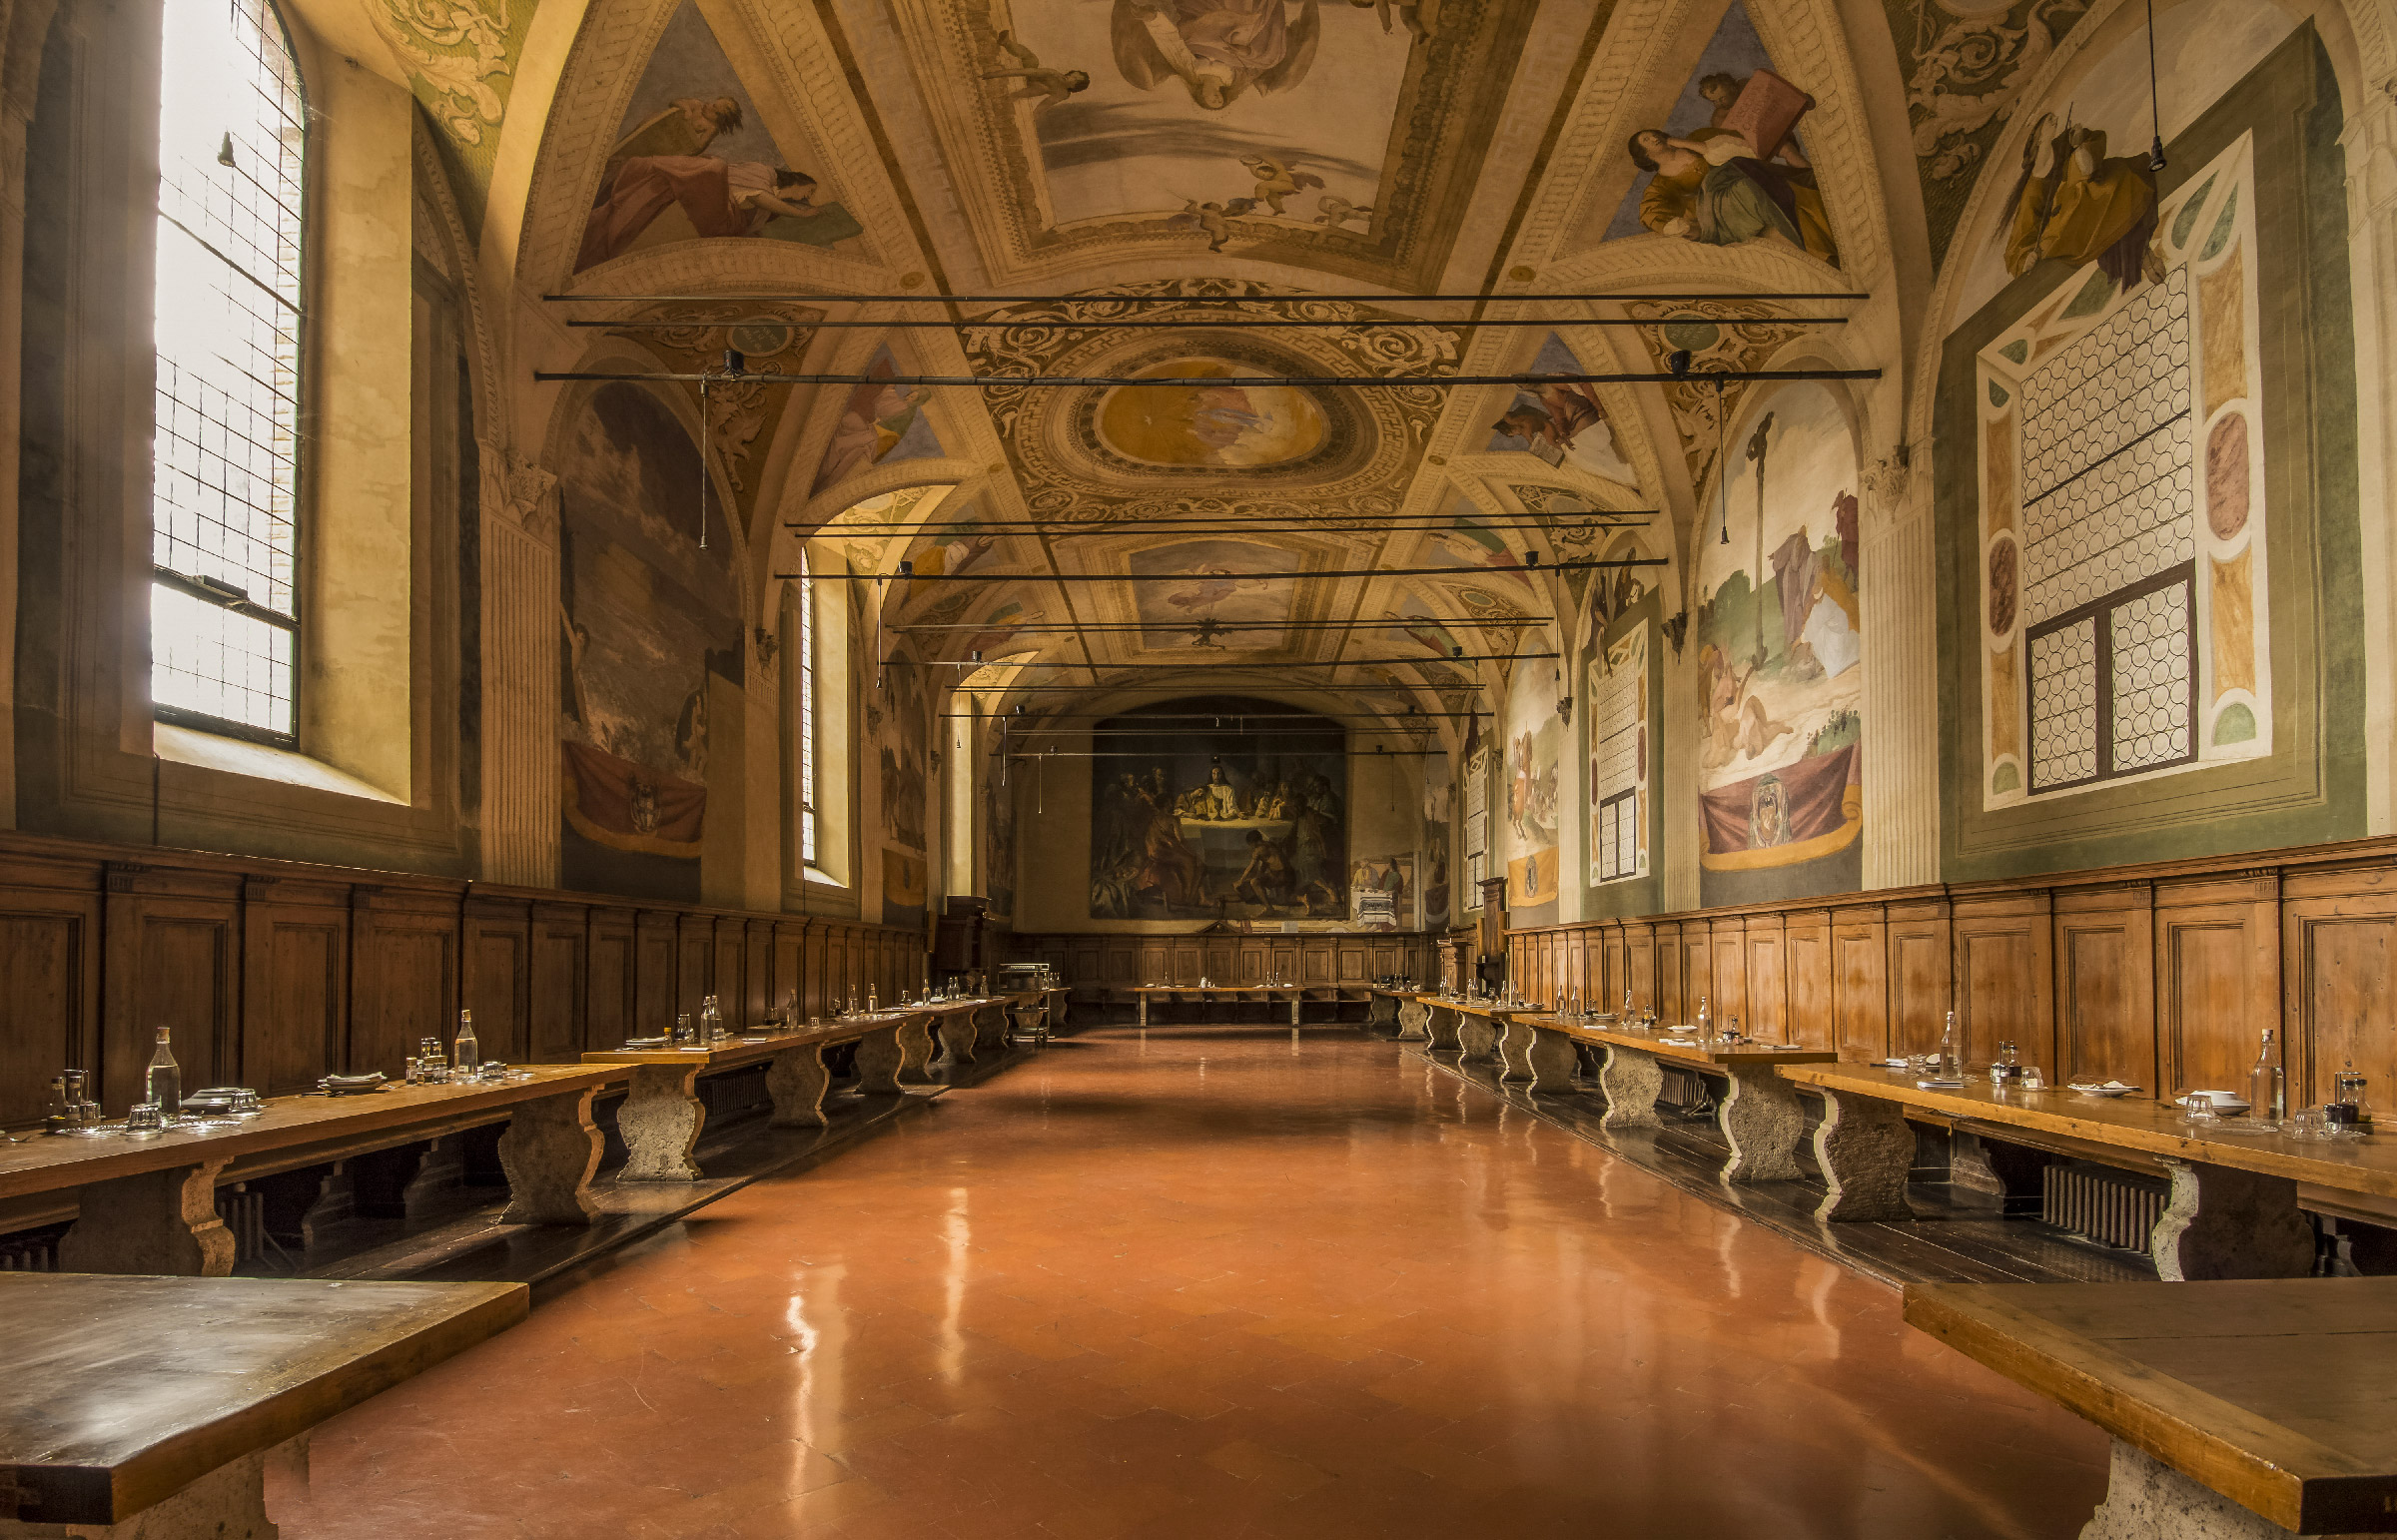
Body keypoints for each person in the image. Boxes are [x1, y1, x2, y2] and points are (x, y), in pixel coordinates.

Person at [1628, 127, 1837, 267]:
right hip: (1719, 213)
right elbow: (1650, 210)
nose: (1653, 138)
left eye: (1652, 134)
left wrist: (1680, 142)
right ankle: (1820, 256)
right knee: (1751, 186)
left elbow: (1733, 138)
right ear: (1645, 154)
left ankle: (1825, 250)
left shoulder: (1697, 139)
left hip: (1748, 175)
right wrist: (1670, 226)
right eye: (1646, 140)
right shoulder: (1661, 184)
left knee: (1778, 187)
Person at [579, 159, 828, 270]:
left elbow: (752, 226)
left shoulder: (769, 214)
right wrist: (801, 214)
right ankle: (663, 168)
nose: (807, 197)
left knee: (714, 169)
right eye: (809, 190)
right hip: (717, 202)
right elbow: (755, 195)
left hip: (725, 223)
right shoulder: (764, 173)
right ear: (798, 181)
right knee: (714, 168)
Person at [1112, 0, 1322, 110]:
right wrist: (1247, 52)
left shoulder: (1189, 70)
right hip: (1236, 37)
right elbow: (1261, 63)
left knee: (1219, 18)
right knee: (1266, 51)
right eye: (1220, 101)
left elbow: (1170, 42)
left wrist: (1153, 18)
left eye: (1211, 101)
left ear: (1201, 96)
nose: (1216, 98)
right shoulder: (1236, 77)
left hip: (1200, 27)